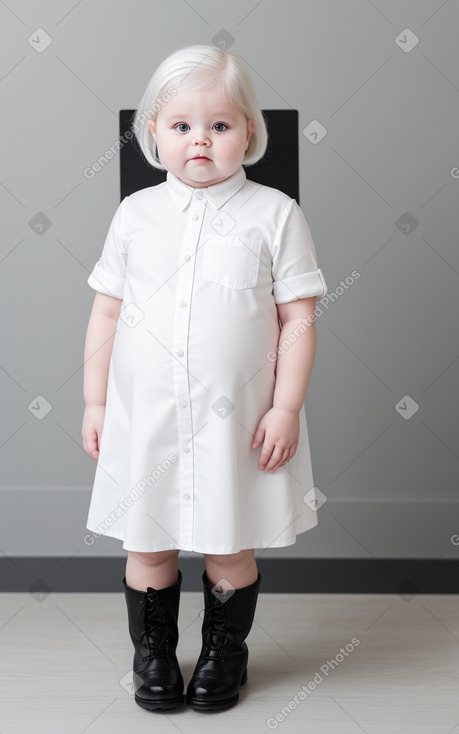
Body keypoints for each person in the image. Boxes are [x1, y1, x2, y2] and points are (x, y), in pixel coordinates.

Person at [82, 44, 328, 713]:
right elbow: (107, 308)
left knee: (228, 542)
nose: (200, 140)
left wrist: (285, 408)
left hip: (238, 419)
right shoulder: (135, 214)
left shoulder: (274, 213)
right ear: (153, 132)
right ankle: (153, 651)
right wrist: (95, 399)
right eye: (182, 125)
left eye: (219, 125)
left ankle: (226, 651)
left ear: (248, 132)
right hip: (146, 414)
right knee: (148, 540)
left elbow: (296, 319)